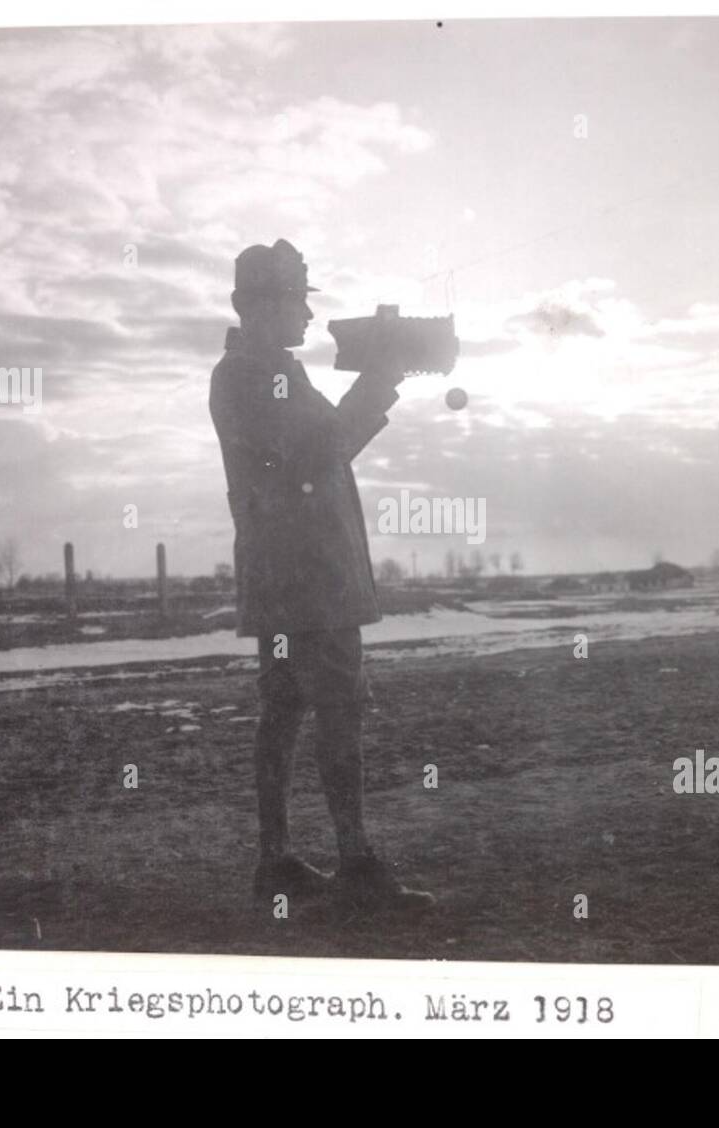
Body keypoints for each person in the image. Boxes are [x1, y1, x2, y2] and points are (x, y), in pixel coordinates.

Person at [208, 239, 434, 913]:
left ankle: (275, 861)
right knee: (338, 709)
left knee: (283, 709)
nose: (307, 317)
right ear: (259, 306)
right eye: (297, 302)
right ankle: (356, 866)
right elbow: (316, 454)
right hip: (308, 578)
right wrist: (379, 380)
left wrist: (376, 380)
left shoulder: (261, 370)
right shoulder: (250, 374)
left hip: (287, 574)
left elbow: (314, 449)